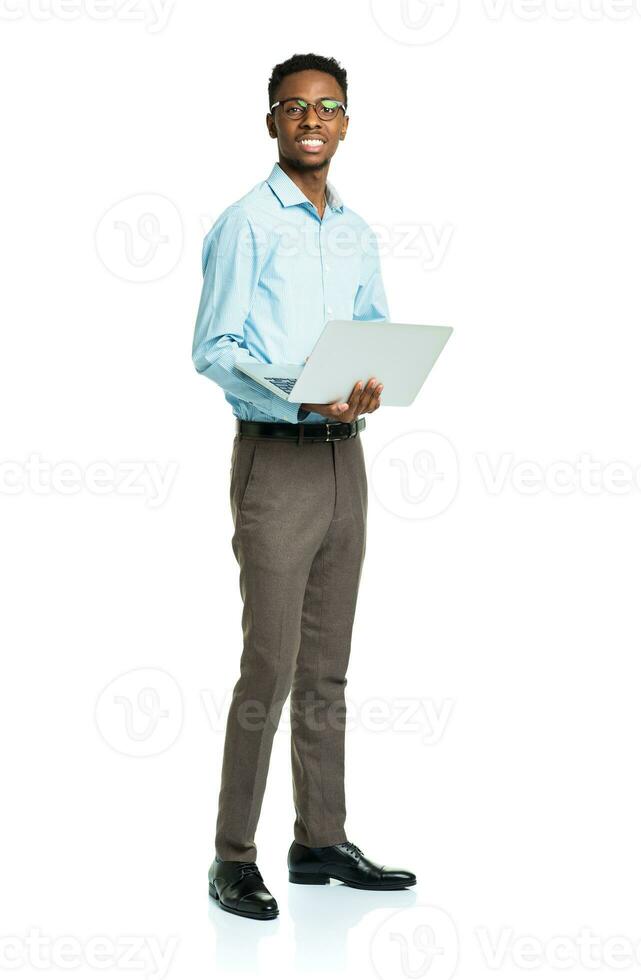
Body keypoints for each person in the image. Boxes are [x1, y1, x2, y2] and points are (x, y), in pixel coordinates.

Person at [192, 52, 416, 921]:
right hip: (276, 461)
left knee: (327, 669)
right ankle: (231, 856)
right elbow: (213, 350)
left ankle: (319, 838)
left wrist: (367, 384)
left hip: (344, 458)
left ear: (347, 122)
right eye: (294, 107)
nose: (311, 120)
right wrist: (299, 391)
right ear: (272, 122)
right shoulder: (245, 224)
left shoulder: (355, 229)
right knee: (270, 665)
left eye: (327, 107)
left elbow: (372, 331)